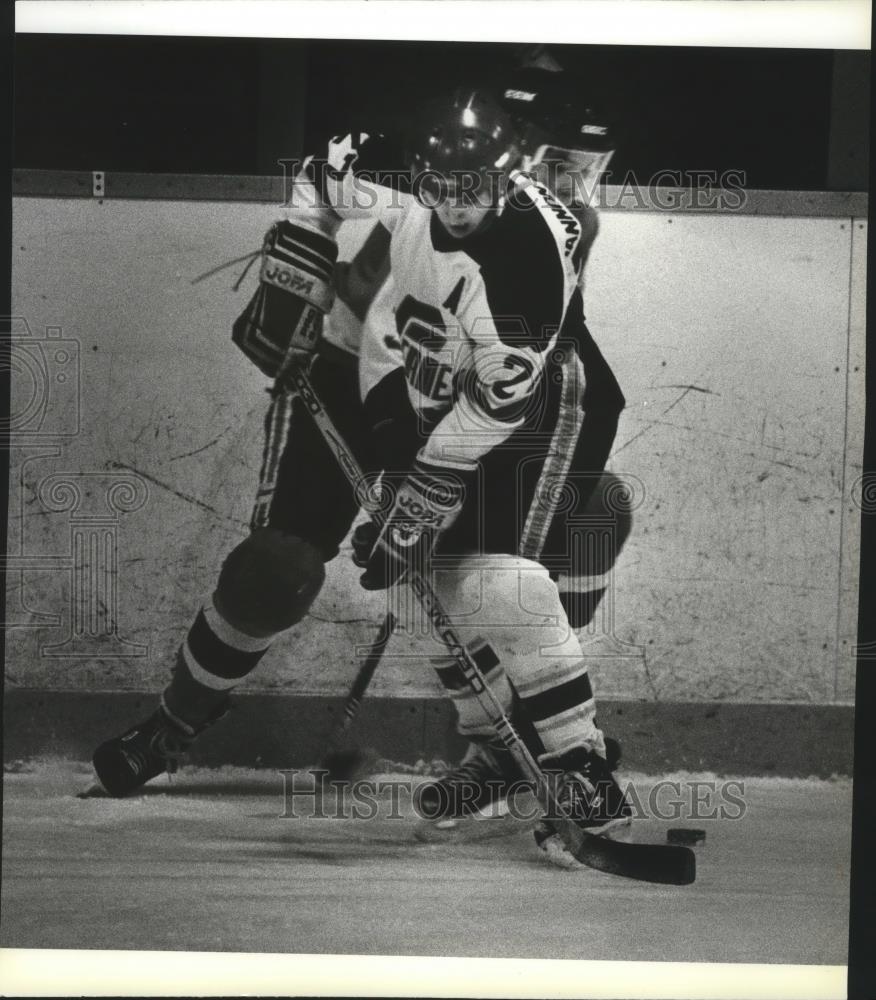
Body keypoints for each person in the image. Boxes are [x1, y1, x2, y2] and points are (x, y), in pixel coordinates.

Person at [353, 74, 633, 848]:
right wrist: (392, 452)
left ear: (507, 176)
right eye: (439, 186)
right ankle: (496, 750)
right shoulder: (418, 223)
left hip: (549, 402)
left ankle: (580, 764)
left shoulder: (520, 256)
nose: (455, 204)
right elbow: (390, 326)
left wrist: (424, 487)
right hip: (466, 396)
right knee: (417, 580)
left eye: (472, 186)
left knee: (501, 575)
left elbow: (503, 401)